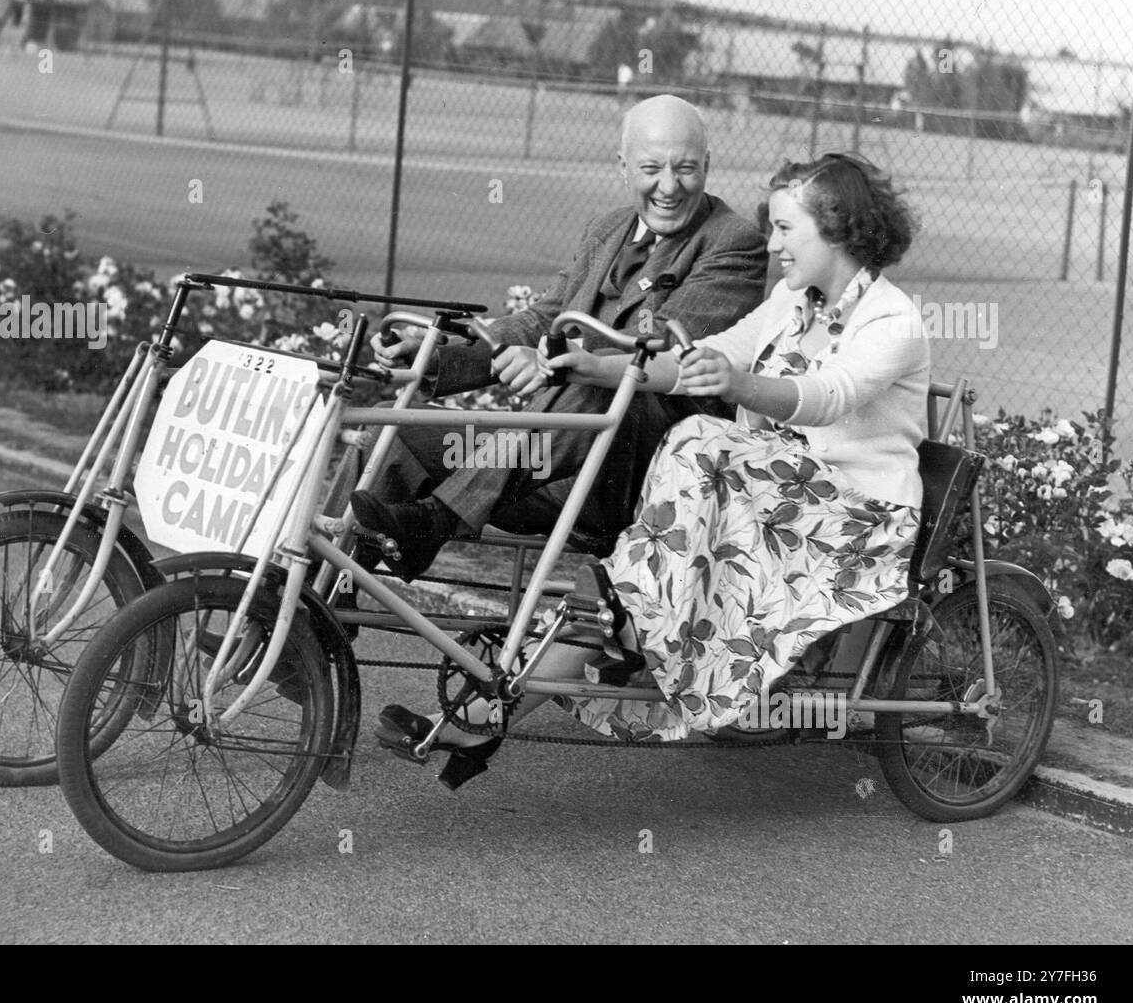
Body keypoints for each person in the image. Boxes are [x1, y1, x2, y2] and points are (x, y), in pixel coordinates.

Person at [377, 152, 929, 786]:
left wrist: (740, 384)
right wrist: (601, 370)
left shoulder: (892, 319)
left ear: (837, 227)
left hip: (850, 517)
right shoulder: (789, 301)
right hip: (770, 498)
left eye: (785, 229)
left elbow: (831, 395)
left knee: (695, 447)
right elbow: (699, 359)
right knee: (636, 581)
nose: (772, 244)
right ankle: (486, 713)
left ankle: (490, 709)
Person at [351, 93, 768, 582]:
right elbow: (545, 317)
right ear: (623, 166)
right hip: (539, 462)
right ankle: (314, 604)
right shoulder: (608, 228)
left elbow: (652, 351)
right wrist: (438, 356)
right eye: (652, 168)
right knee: (398, 431)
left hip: (637, 480)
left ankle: (437, 520)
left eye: (687, 169)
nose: (669, 187)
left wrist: (553, 356)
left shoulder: (734, 242)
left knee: (608, 379)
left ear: (709, 166)